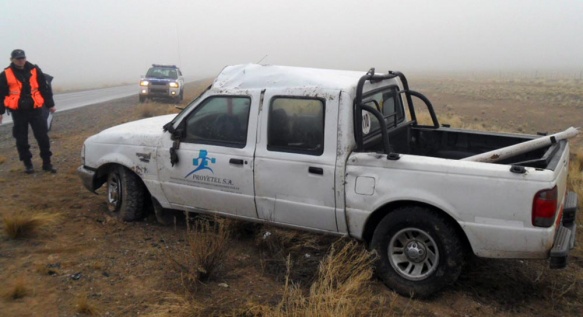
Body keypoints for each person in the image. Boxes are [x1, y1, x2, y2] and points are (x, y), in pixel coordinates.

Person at [0, 49, 57, 173]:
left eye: (22, 58)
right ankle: (28, 164)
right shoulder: (5, 74)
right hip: (18, 112)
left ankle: (47, 163)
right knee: (21, 140)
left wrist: (50, 104)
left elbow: (44, 88)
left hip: (36, 110)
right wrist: (0, 112)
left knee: (42, 137)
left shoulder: (35, 70)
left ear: (25, 58)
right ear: (12, 60)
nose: (21, 61)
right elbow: (1, 94)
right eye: (18, 59)